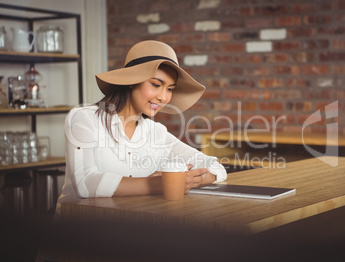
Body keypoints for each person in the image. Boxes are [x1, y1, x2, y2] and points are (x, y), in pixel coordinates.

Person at [54, 40, 227, 218]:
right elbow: (86, 184)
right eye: (156, 85)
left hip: (128, 230)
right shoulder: (84, 118)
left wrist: (186, 182)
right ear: (131, 81)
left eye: (170, 89)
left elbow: (216, 168)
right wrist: (160, 184)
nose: (163, 97)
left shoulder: (156, 132)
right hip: (76, 232)